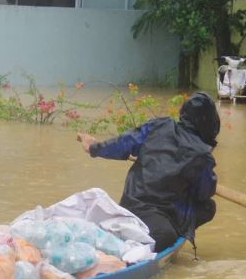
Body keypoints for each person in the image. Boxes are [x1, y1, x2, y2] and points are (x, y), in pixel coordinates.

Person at [76, 91, 220, 249]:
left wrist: (94, 148)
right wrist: (205, 174)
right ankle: (152, 238)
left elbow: (123, 143)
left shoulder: (159, 124)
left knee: (206, 207)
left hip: (130, 202)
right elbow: (204, 193)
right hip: (157, 212)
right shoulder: (202, 155)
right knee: (206, 207)